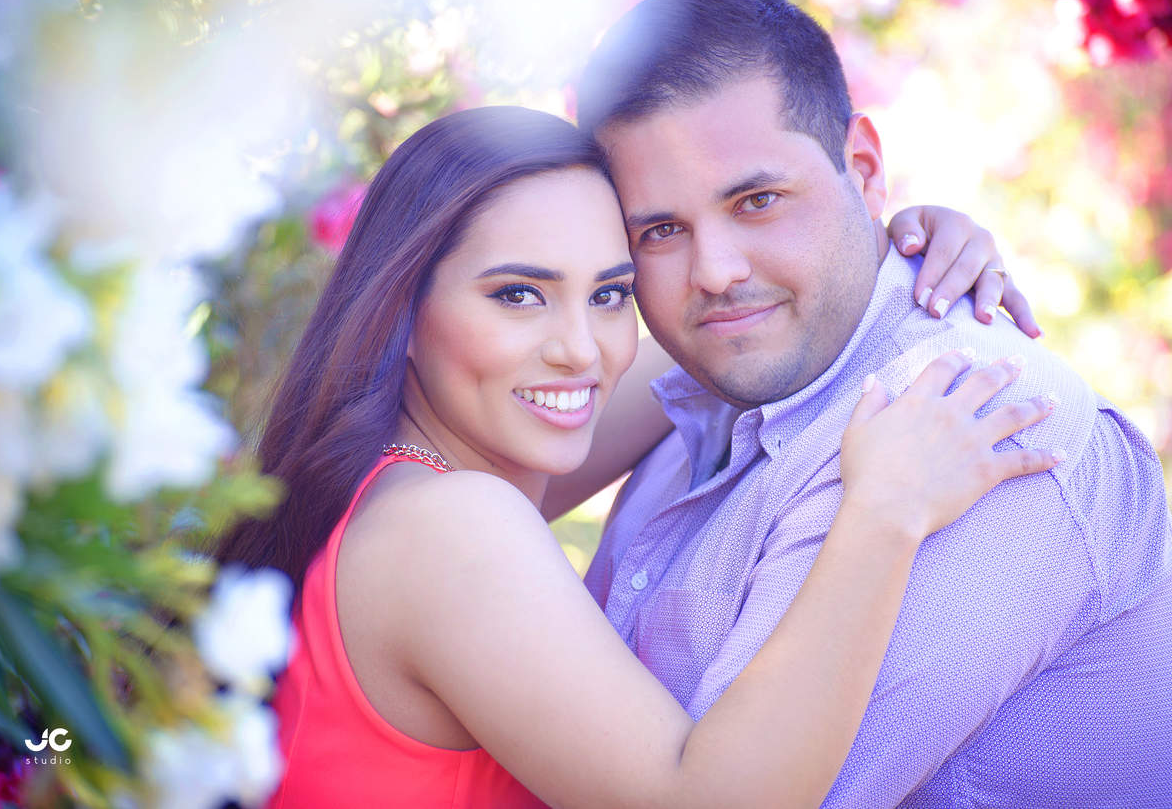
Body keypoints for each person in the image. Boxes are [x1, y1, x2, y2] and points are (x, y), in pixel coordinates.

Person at [215, 105, 1060, 808]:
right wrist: (883, 515)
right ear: (402, 309)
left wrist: (876, 250)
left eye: (611, 293)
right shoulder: (449, 525)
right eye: (519, 294)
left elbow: (723, 344)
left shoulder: (409, 478)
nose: (581, 351)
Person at [574, 0, 1172, 808]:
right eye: (660, 230)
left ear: (865, 169)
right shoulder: (707, 382)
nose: (715, 272)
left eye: (757, 201)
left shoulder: (971, 421)